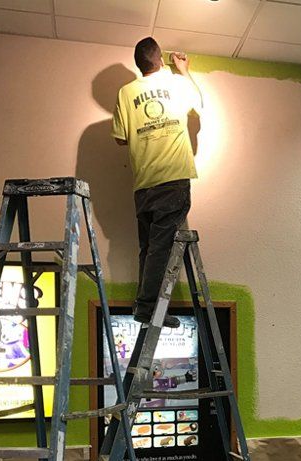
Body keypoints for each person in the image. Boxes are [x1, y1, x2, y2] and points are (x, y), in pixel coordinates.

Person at [113, 36, 203, 328]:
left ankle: (145, 305)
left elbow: (120, 138)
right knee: (161, 248)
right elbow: (199, 105)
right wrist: (183, 69)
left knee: (149, 247)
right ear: (160, 59)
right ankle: (149, 308)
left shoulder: (126, 93)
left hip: (143, 183)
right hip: (173, 178)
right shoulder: (176, 84)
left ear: (139, 64)